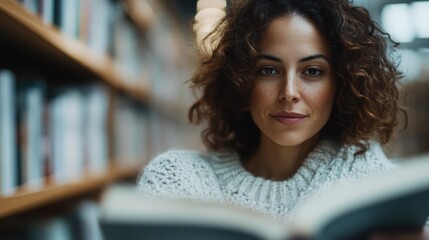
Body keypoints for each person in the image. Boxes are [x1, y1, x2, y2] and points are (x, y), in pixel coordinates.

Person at [138, 0, 426, 238]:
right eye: (269, 70)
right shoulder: (178, 181)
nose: (289, 93)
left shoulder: (374, 186)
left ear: (341, 82)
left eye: (312, 71)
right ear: (241, 81)